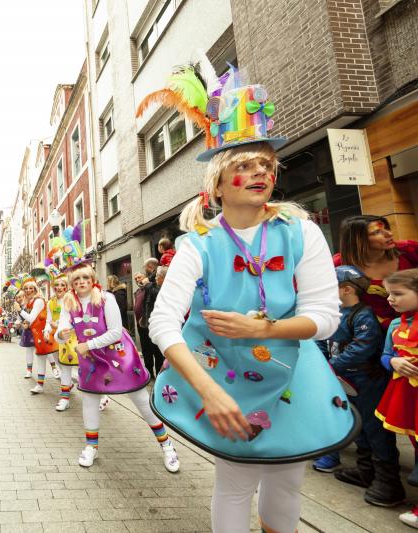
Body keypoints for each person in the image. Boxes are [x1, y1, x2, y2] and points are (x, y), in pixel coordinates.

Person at [144, 65, 355, 532]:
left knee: (286, 482)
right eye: (243, 164)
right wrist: (211, 392)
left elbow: (324, 317)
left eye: (265, 163)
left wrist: (264, 329)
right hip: (221, 375)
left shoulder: (300, 232)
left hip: (291, 376)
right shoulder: (197, 245)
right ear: (218, 184)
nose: (260, 170)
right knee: (236, 483)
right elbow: (162, 324)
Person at [55, 262, 179, 472]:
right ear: (72, 284)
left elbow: (115, 331)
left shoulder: (106, 298)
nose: (81, 282)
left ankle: (167, 445)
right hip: (91, 359)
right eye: (77, 279)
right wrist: (61, 334)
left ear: (92, 279)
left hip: (119, 356)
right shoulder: (69, 303)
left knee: (140, 400)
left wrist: (87, 344)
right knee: (89, 400)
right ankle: (91, 446)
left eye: (85, 278)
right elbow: (62, 329)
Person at [312, 267, 403, 507]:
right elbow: (321, 339)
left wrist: (332, 366)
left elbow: (362, 346)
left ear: (347, 289)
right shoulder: (333, 313)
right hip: (343, 380)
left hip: (366, 380)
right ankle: (366, 471)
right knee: (358, 426)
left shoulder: (363, 315)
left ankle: (389, 482)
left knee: (375, 429)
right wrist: (325, 365)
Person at [374, 269, 418, 528]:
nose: (390, 299)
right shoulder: (394, 324)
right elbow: (385, 355)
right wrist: (394, 361)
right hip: (407, 397)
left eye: (398, 294)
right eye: (389, 293)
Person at [335, 215, 418, 331]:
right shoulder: (337, 264)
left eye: (387, 229)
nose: (389, 234)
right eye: (377, 232)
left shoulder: (409, 249)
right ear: (357, 239)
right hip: (369, 335)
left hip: (413, 327)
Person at [15, 278, 58, 395]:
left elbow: (31, 318)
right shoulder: (30, 302)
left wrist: (19, 310)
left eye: (31, 288)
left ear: (35, 289)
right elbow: (31, 321)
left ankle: (67, 381)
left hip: (46, 334)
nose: (28, 290)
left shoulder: (38, 301)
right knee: (41, 358)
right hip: (38, 334)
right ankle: (40, 384)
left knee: (60, 361)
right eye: (26, 288)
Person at [44, 274, 78, 411]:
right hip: (60, 336)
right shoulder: (50, 302)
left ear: (67, 287)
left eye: (62, 285)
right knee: (64, 366)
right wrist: (47, 330)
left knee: (84, 368)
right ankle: (65, 398)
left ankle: (102, 396)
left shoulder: (71, 299)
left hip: (76, 337)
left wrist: (57, 324)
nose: (59, 287)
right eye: (56, 285)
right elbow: (48, 320)